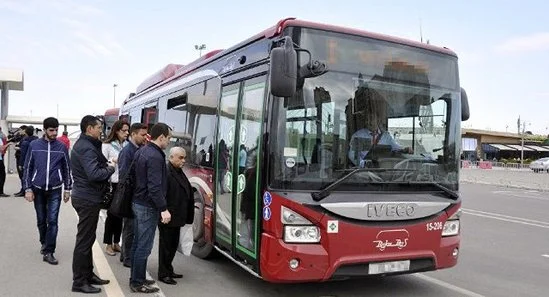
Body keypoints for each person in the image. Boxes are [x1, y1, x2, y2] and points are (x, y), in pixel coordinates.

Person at [70, 115, 115, 294]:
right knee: (84, 240)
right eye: (98, 128)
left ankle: (88, 274)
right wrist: (111, 167)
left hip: (86, 196)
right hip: (87, 198)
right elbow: (95, 174)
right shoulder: (86, 148)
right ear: (89, 128)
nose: (101, 131)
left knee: (87, 239)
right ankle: (79, 281)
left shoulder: (85, 145)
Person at [23, 117, 72, 265]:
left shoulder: (62, 147)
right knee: (41, 220)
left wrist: (68, 189)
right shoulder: (34, 145)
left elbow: (66, 168)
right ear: (44, 130)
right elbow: (28, 168)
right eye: (51, 130)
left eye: (56, 130)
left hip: (55, 190)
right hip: (37, 189)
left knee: (53, 221)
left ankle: (49, 251)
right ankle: (44, 242)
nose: (54, 133)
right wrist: (27, 189)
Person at [130, 123, 172, 293]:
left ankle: (136, 277)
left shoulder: (142, 150)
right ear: (161, 137)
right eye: (168, 138)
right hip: (147, 206)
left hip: (138, 202)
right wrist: (164, 208)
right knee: (144, 246)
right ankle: (137, 283)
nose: (169, 141)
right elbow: (154, 186)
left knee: (137, 243)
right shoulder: (155, 156)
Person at [158, 147, 194, 285]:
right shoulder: (166, 172)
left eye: (184, 157)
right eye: (180, 158)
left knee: (172, 246)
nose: (183, 160)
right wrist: (164, 211)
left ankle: (169, 269)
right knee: (166, 246)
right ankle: (163, 273)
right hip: (169, 216)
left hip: (178, 216)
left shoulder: (178, 171)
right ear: (171, 157)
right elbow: (162, 194)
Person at [348, 97, 412, 167]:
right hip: (364, 170)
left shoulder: (386, 136)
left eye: (371, 119)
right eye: (367, 119)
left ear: (378, 120)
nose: (368, 121)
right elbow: (352, 154)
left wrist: (405, 149)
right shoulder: (358, 135)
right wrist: (364, 164)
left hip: (382, 168)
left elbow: (395, 147)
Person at [118, 123, 149, 268]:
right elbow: (124, 176)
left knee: (133, 227)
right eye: (142, 135)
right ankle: (127, 257)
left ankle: (126, 254)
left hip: (136, 194)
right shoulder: (127, 151)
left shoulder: (140, 149)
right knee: (130, 227)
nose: (145, 137)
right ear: (133, 134)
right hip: (130, 195)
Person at [101, 120, 129, 256]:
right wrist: (113, 161)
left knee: (120, 215)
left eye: (127, 130)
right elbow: (102, 162)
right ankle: (108, 244)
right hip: (112, 183)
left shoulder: (127, 145)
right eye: (124, 130)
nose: (126, 133)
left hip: (124, 183)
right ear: (117, 131)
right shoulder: (107, 145)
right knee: (112, 215)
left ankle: (117, 241)